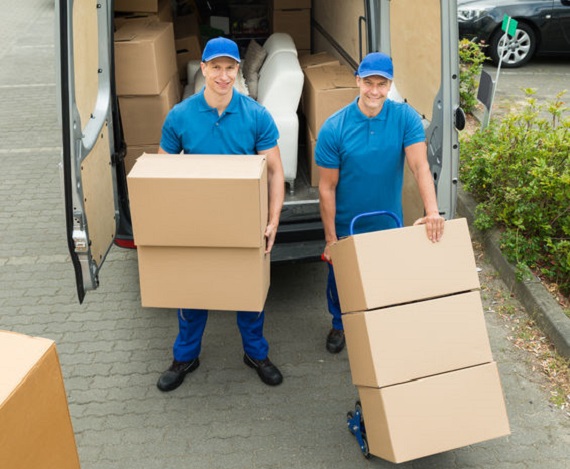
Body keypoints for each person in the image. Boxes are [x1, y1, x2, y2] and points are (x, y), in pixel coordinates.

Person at [156, 37, 285, 391]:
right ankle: (185, 356)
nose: (223, 75)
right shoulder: (180, 116)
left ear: (238, 70)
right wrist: (166, 227)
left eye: (230, 68)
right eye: (216, 67)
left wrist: (273, 221)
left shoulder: (256, 115)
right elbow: (162, 176)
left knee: (248, 293)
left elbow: (275, 171)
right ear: (204, 68)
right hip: (196, 223)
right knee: (193, 293)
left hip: (244, 221)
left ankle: (255, 353)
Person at [316, 52, 445, 354]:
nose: (374, 91)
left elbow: (420, 167)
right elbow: (327, 187)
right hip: (347, 224)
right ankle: (339, 324)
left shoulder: (405, 118)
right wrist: (330, 238)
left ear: (390, 85)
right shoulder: (335, 128)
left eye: (382, 84)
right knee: (340, 281)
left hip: (388, 221)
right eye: (369, 83)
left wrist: (432, 212)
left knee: (386, 281)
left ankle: (379, 325)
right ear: (357, 81)